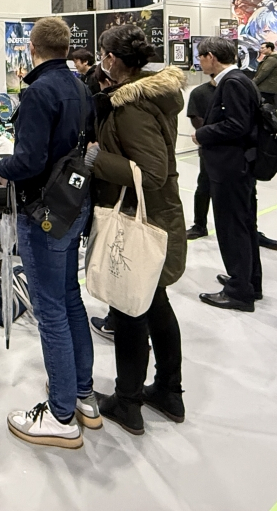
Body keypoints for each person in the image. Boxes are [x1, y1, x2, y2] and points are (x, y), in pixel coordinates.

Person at [0, 17, 98, 448]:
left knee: (50, 309)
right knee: (70, 297)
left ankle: (60, 415)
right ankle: (82, 394)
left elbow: (30, 161)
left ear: (32, 48)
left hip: (44, 212)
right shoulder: (81, 86)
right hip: (76, 203)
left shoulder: (39, 92)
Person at [86, 26, 188, 434]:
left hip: (141, 219)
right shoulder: (151, 95)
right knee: (156, 304)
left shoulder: (131, 106)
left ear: (112, 58)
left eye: (103, 53)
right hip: (156, 215)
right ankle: (169, 391)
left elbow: (152, 172)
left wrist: (96, 158)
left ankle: (128, 402)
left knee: (131, 310)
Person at [193, 37, 262, 312]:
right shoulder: (240, 79)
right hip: (238, 165)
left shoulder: (232, 82)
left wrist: (202, 134)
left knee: (232, 228)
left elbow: (237, 125)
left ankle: (239, 292)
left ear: (211, 56)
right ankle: (248, 281)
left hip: (230, 167)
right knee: (244, 225)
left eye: (200, 57)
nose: (199, 62)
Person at [184, 68, 218, 241]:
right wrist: (207, 134)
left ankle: (250, 227)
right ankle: (199, 225)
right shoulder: (200, 92)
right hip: (209, 147)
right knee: (204, 185)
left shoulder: (239, 88)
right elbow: (194, 116)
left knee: (245, 189)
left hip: (236, 149)